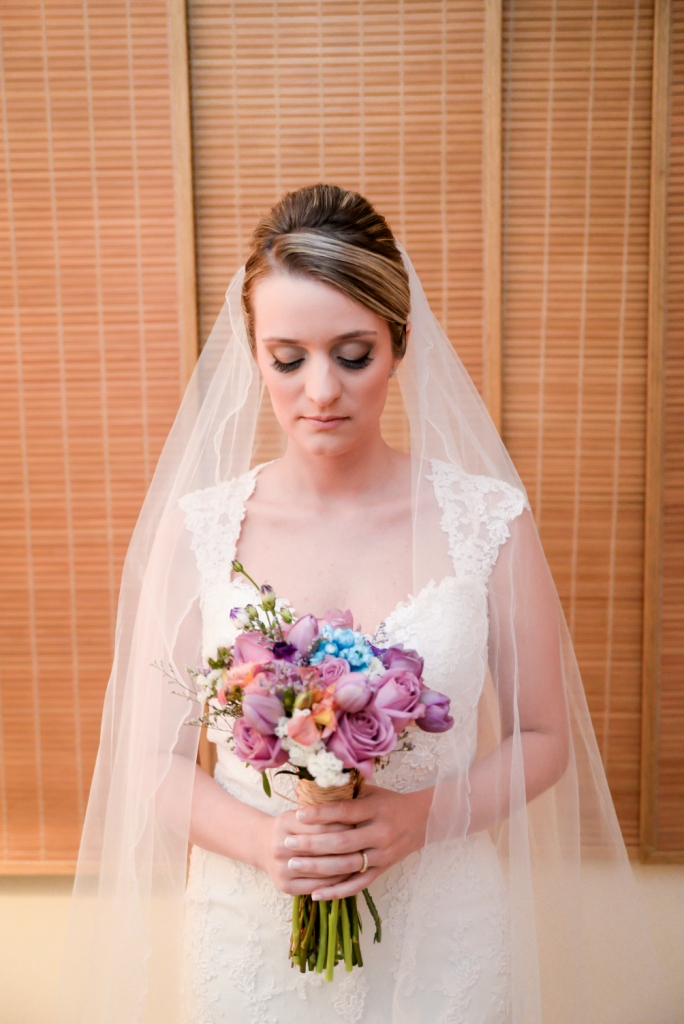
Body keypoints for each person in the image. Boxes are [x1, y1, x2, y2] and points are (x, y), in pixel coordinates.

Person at [55, 185, 671, 1024]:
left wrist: (425, 816)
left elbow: (545, 739)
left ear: (399, 343)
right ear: (254, 353)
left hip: (443, 926)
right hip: (250, 930)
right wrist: (265, 842)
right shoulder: (198, 530)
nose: (321, 392)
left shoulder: (488, 521)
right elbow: (153, 762)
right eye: (288, 358)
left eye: (353, 354)